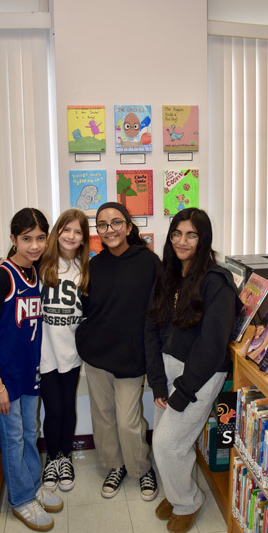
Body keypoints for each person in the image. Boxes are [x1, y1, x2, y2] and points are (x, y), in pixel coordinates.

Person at [145, 208, 242, 533]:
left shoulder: (217, 281)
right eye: (176, 233)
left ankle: (188, 501)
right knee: (167, 441)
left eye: (191, 234)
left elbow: (212, 345)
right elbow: (152, 328)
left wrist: (183, 392)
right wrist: (158, 383)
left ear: (204, 239)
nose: (181, 241)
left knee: (168, 444)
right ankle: (176, 494)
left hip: (200, 376)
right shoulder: (169, 273)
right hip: (169, 367)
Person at [0, 207, 63, 533]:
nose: (34, 245)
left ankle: (33, 484)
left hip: (31, 370)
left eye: (40, 237)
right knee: (13, 437)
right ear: (13, 239)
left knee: (31, 431)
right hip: (7, 375)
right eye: (26, 238)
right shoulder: (4, 276)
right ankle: (20, 499)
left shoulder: (36, 271)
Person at [75, 201, 160, 501]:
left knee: (128, 419)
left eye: (115, 223)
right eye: (102, 225)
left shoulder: (148, 261)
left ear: (128, 225)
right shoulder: (93, 265)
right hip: (97, 354)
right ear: (96, 230)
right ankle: (114, 465)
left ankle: (141, 467)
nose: (109, 229)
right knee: (103, 416)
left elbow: (161, 306)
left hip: (131, 355)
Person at [39, 209, 90, 492]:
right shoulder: (42, 265)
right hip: (45, 354)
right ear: (57, 232)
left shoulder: (85, 270)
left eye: (78, 232)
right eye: (66, 229)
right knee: (53, 409)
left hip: (71, 355)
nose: (71, 236)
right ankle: (52, 459)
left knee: (68, 407)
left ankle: (65, 457)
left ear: (83, 239)